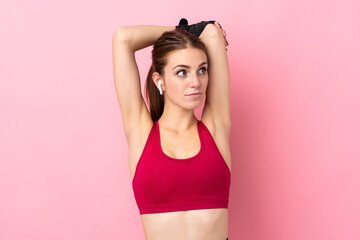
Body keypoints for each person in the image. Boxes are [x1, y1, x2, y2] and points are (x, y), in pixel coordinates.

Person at [112, 18, 231, 240]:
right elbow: (122, 38)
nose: (195, 82)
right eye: (182, 72)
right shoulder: (142, 133)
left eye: (202, 70)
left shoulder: (215, 129)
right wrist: (181, 32)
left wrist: (190, 35)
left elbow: (212, 34)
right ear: (160, 81)